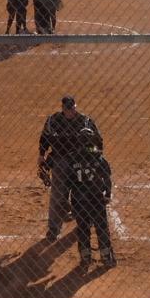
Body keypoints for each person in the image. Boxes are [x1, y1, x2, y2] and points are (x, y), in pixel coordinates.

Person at [38, 95, 103, 242]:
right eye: (68, 109)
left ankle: (85, 221)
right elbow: (44, 138)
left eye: (73, 108)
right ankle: (53, 230)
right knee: (57, 195)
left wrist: (92, 157)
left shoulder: (85, 121)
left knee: (82, 193)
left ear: (75, 106)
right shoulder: (53, 121)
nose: (72, 111)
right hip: (60, 161)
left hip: (81, 161)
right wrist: (41, 155)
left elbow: (98, 142)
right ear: (63, 108)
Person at [67, 126, 115, 268]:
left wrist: (67, 200)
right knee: (101, 227)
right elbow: (107, 178)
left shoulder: (72, 159)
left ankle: (85, 258)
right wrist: (108, 194)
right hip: (96, 198)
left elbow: (68, 182)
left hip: (78, 200)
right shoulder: (98, 158)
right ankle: (106, 257)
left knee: (82, 228)